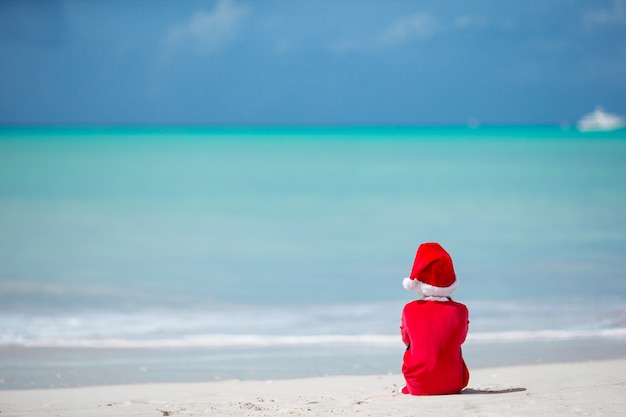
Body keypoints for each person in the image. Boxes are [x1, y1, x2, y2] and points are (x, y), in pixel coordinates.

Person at [400, 242, 470, 395]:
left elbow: (406, 340)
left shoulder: (409, 309)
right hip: (454, 384)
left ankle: (421, 380)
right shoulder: (461, 310)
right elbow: (459, 339)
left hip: (417, 386)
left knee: (412, 349)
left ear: (418, 283)